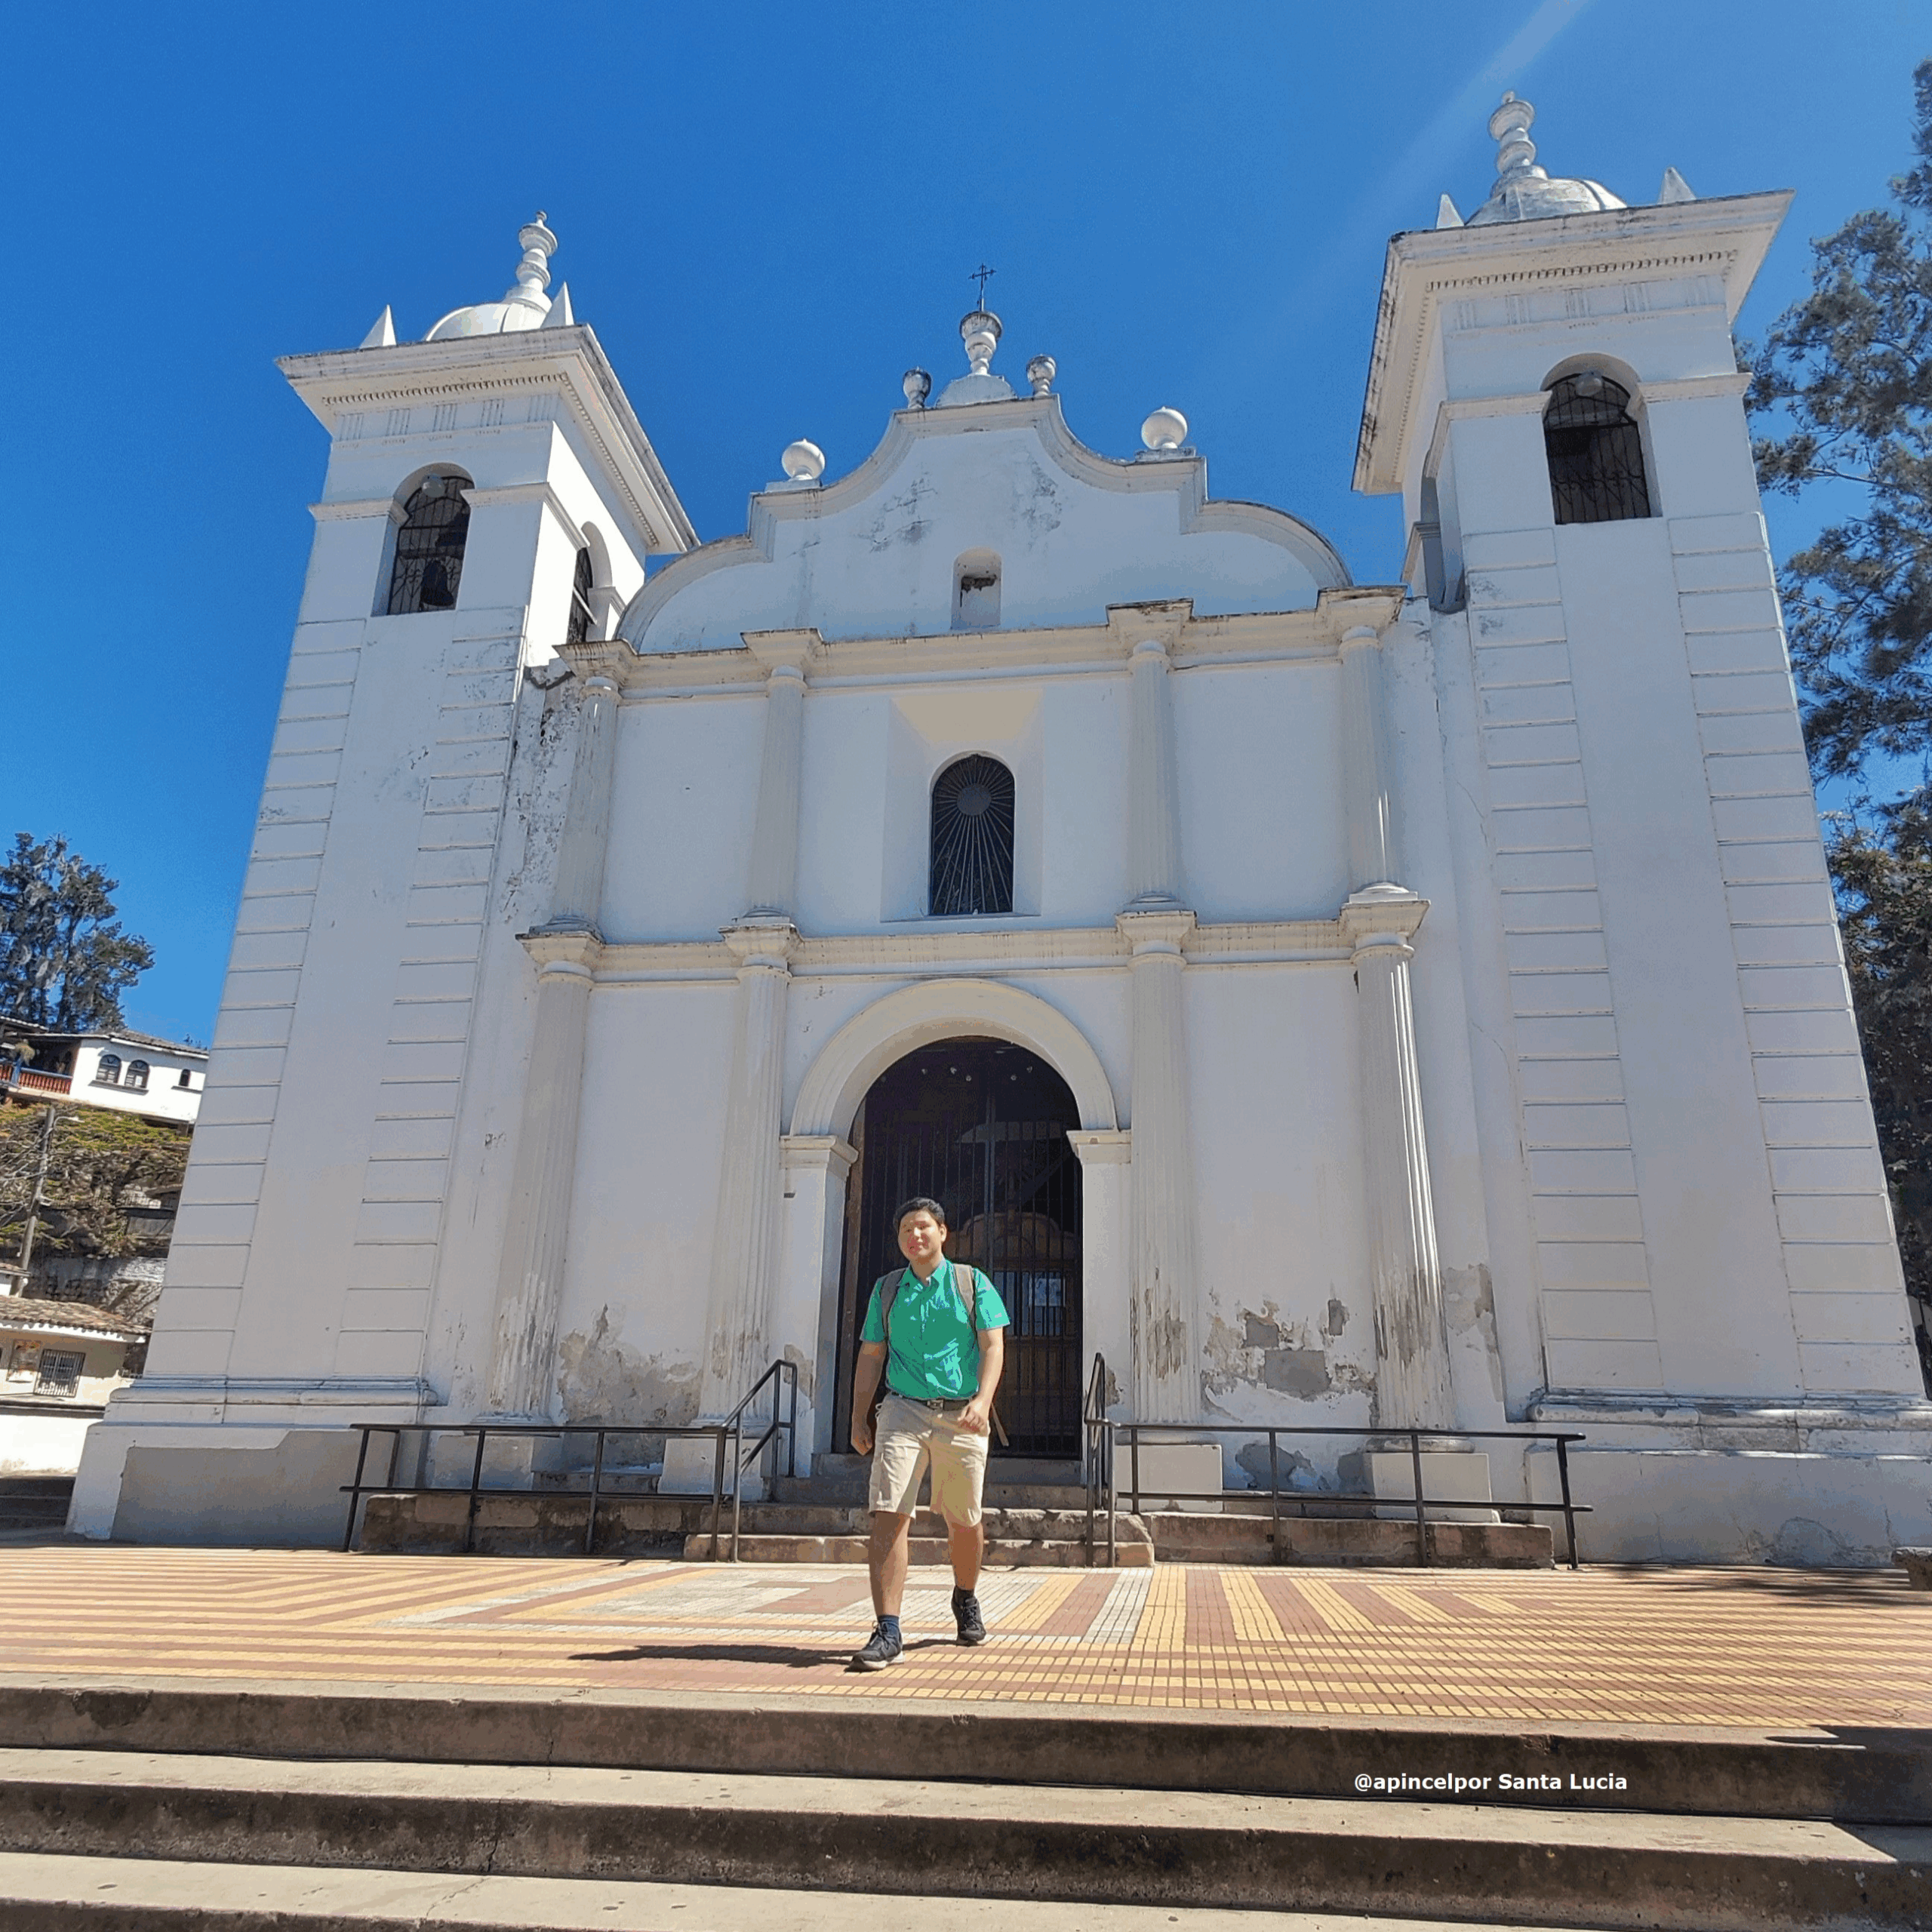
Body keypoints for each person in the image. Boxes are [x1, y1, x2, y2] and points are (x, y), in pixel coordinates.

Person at [847, 1195, 1010, 1669]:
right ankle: (888, 1629)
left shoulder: (971, 1283)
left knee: (964, 1519)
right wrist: (860, 1418)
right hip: (902, 1410)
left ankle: (965, 1595)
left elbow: (993, 1345)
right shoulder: (888, 1289)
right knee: (889, 1511)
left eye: (922, 1227)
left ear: (943, 1231)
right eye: (905, 1231)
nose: (914, 1237)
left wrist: (982, 1401)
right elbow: (872, 1355)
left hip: (962, 1414)